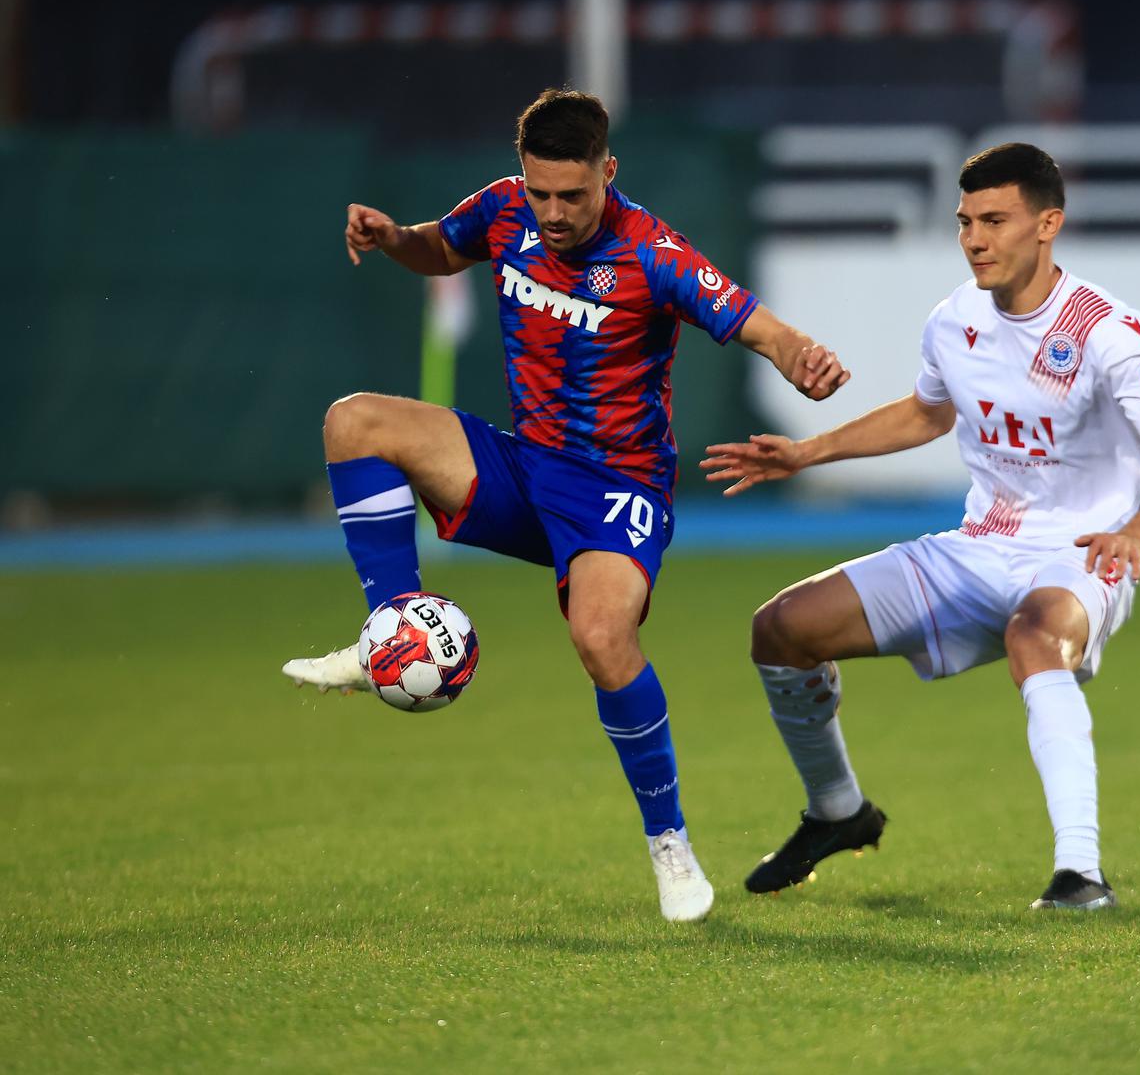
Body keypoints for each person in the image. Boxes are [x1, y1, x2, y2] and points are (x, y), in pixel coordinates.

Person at [279, 89, 849, 923]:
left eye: (571, 195)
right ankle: (391, 630)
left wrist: (800, 356)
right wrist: (395, 238)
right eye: (539, 192)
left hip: (618, 489)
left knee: (600, 637)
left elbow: (754, 323)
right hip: (525, 467)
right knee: (354, 422)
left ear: (607, 171)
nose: (552, 212)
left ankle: (670, 843)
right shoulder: (503, 209)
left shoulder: (654, 253)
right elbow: (443, 248)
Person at [700, 143, 1140, 911]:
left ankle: (1079, 873)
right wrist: (809, 452)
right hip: (976, 549)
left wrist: (1135, 533)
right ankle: (837, 810)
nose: (974, 239)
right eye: (964, 221)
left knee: (1035, 638)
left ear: (1047, 225)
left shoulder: (1106, 330)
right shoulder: (954, 319)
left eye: (994, 221)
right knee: (780, 629)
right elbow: (928, 413)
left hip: (1077, 557)